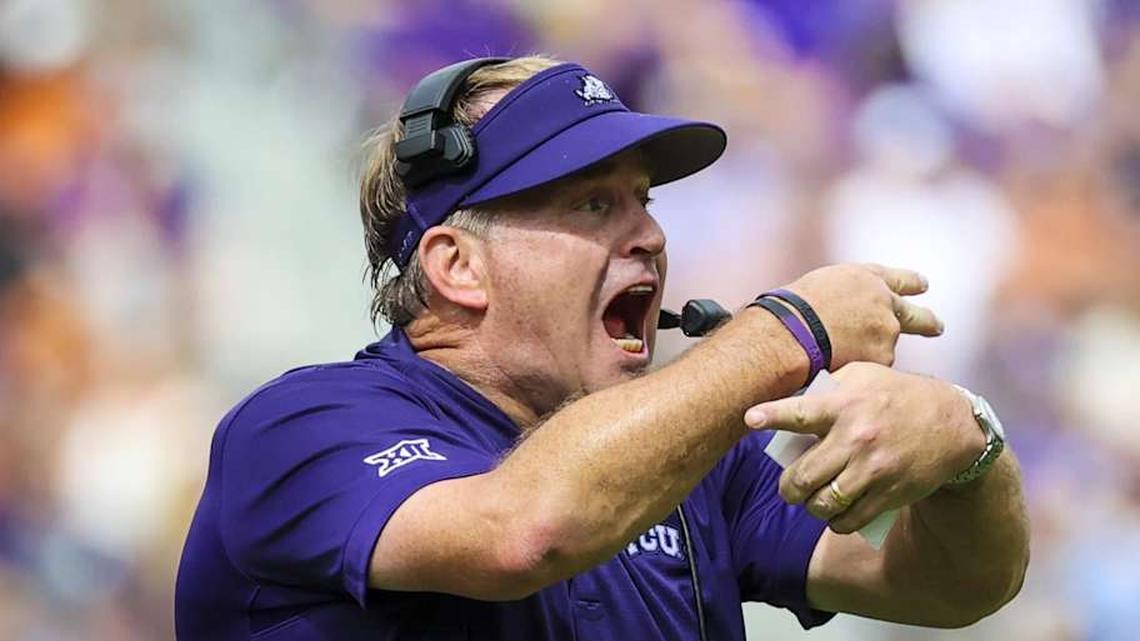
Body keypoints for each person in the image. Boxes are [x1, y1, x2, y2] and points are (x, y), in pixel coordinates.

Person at [175, 55, 1029, 641]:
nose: (651, 235)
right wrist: (790, 331)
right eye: (592, 205)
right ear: (457, 265)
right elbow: (523, 530)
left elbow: (948, 586)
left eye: (644, 200)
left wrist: (966, 444)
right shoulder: (299, 428)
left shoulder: (690, 458)